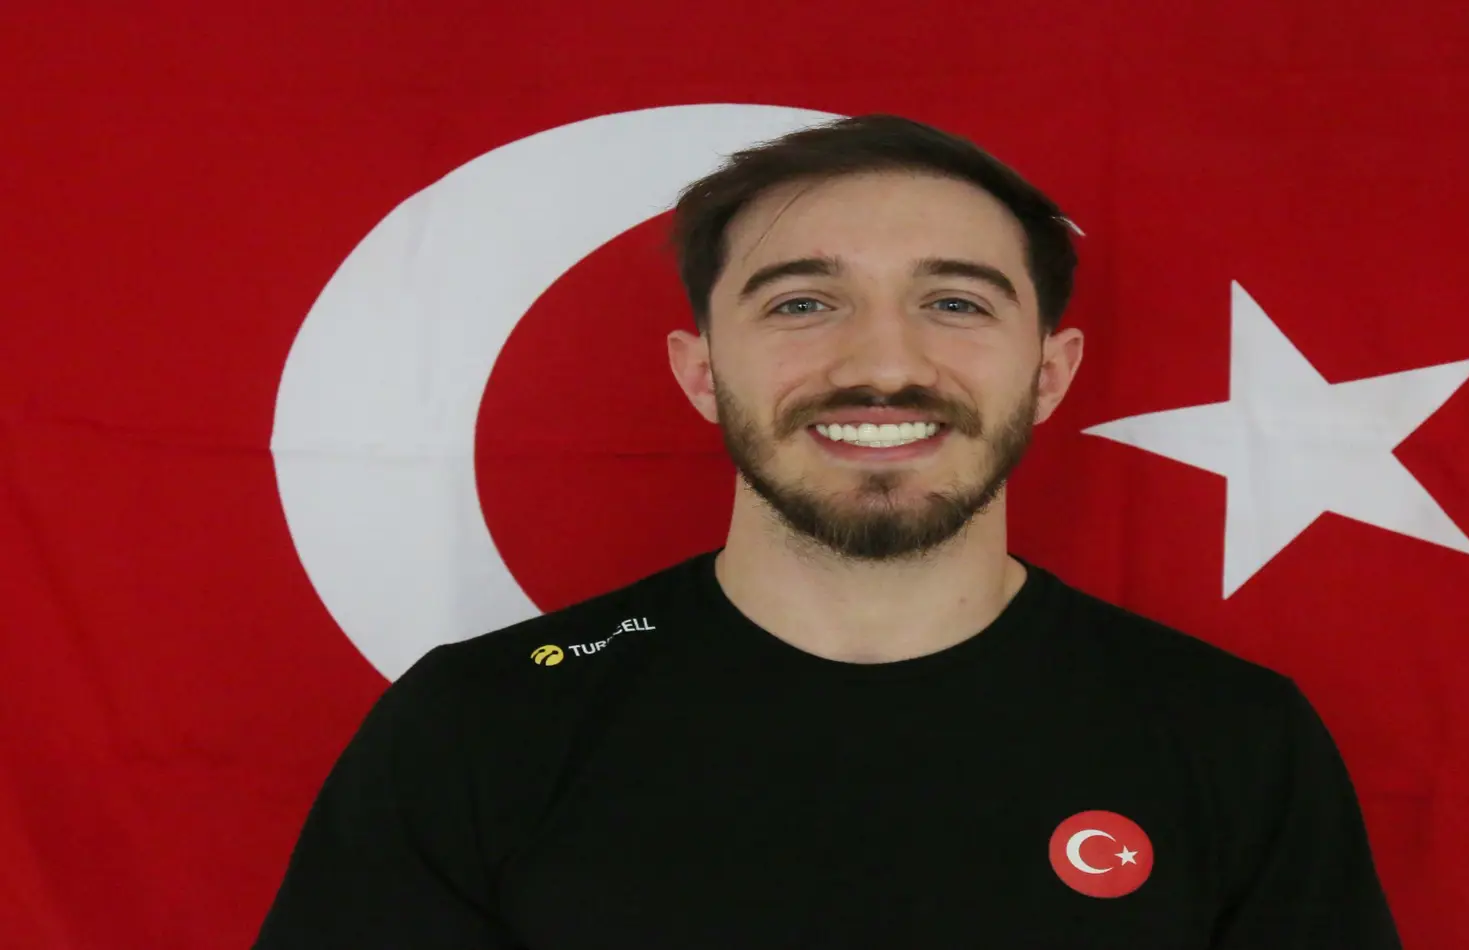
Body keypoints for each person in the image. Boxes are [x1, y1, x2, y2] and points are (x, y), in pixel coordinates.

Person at [252, 113, 1402, 949]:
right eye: (803, 302)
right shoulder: (480, 724)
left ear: (1050, 373)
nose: (884, 362)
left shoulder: (1234, 739)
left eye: (955, 302)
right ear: (702, 371)